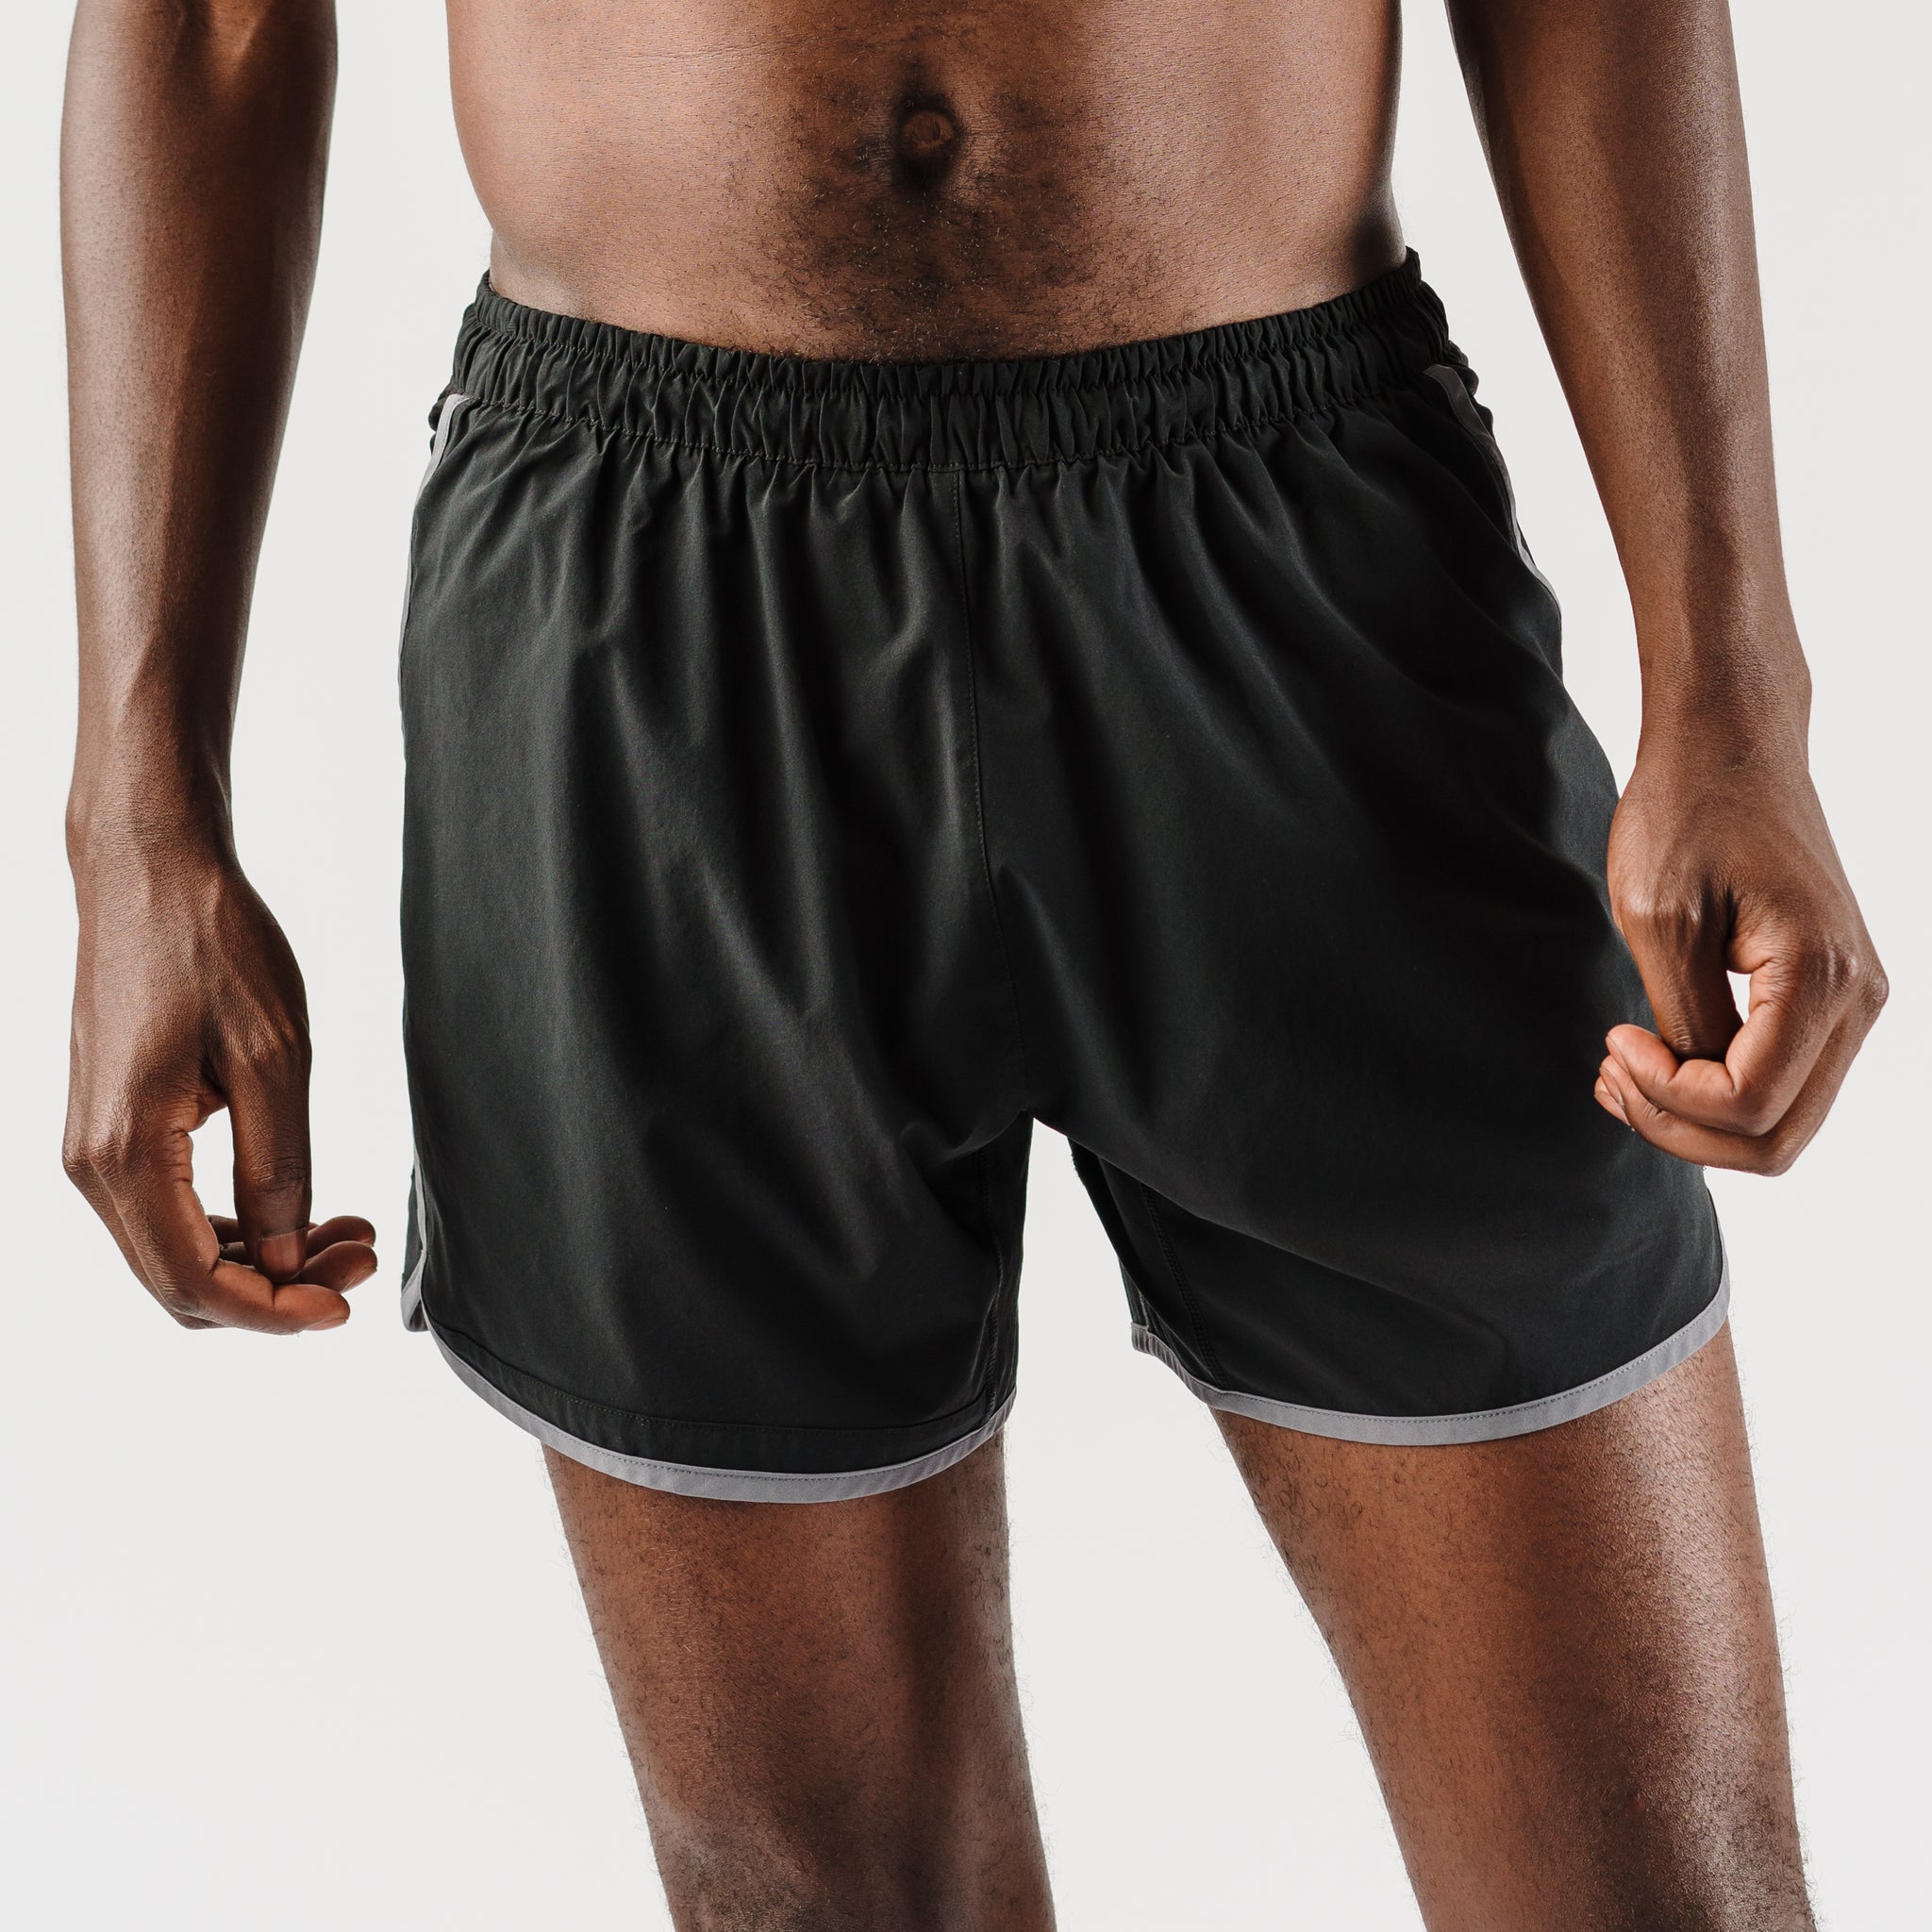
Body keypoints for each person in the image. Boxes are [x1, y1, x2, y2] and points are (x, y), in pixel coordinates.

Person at [59, 0, 1885, 1924]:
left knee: (1662, 1889)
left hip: (1298, 560)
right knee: (833, 1893)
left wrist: (1732, 685)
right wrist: (138, 824)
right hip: (650, 601)